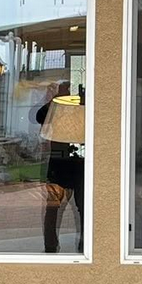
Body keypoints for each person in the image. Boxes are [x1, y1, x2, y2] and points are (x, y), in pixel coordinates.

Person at [34, 82, 85, 253]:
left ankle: (85, 244)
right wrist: (56, 100)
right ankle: (50, 245)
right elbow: (38, 116)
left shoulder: (84, 106)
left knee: (84, 207)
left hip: (79, 162)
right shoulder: (57, 107)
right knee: (53, 207)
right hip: (60, 162)